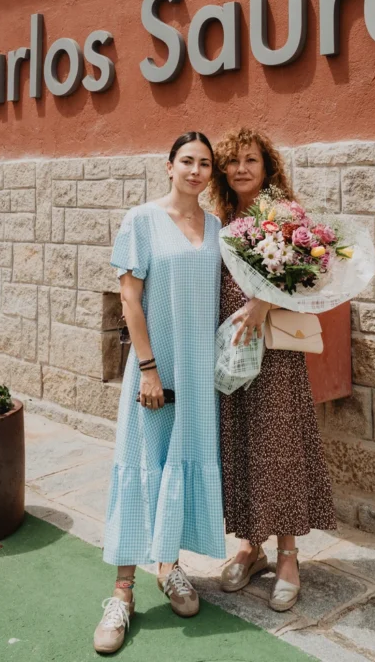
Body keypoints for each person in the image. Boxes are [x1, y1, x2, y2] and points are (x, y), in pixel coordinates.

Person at [94, 132, 226, 655]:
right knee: (142, 461)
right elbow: (130, 301)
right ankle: (122, 592)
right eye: (187, 161)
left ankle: (170, 568)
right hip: (157, 369)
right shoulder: (140, 221)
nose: (195, 171)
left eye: (204, 164)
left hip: (199, 374)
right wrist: (147, 368)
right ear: (169, 166)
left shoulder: (215, 226)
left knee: (182, 463)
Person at [209, 127, 337, 613]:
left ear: (267, 168)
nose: (242, 168)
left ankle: (287, 556)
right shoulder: (221, 218)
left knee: (278, 446)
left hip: (276, 352)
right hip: (232, 351)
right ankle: (249, 545)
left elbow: (310, 273)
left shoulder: (284, 214)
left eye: (251, 160)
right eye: (233, 161)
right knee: (240, 443)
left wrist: (262, 303)